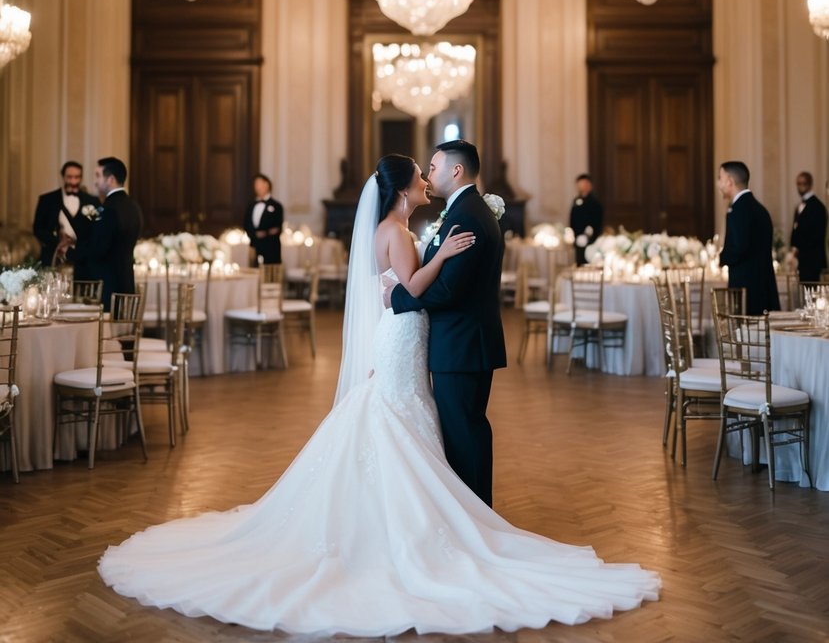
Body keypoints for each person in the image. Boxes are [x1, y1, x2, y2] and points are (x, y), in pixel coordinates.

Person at [98, 152, 660, 634]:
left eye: (429, 171)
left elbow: (399, 293)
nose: (426, 181)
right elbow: (411, 288)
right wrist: (442, 255)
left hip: (404, 338)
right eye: (419, 176)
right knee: (399, 419)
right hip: (403, 336)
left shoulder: (395, 229)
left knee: (401, 418)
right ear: (400, 188)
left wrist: (431, 257)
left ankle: (430, 519)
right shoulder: (397, 233)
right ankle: (419, 528)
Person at [389, 138, 505, 505]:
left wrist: (395, 298)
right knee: (462, 432)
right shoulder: (464, 210)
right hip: (462, 342)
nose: (429, 174)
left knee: (465, 434)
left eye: (434, 167)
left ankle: (477, 519)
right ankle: (474, 517)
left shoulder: (467, 215)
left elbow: (448, 291)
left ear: (456, 171)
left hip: (463, 344)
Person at [75, 157, 143, 308]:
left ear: (110, 179)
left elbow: (99, 248)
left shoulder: (109, 209)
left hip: (108, 288)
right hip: (126, 283)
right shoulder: (133, 207)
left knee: (105, 331)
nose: (95, 181)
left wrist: (74, 250)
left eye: (98, 176)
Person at [718, 160, 780, 314]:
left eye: (720, 178)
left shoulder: (737, 211)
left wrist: (721, 258)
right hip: (764, 288)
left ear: (730, 182)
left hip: (746, 291)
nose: (719, 184)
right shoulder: (760, 209)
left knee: (745, 336)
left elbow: (739, 248)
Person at [32, 160, 98, 267]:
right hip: (53, 256)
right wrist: (58, 241)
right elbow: (37, 229)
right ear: (63, 177)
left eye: (77, 177)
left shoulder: (91, 201)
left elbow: (97, 228)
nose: (73, 181)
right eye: (69, 177)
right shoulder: (47, 200)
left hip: (83, 259)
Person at [790, 171, 827, 283]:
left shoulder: (818, 207)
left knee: (813, 294)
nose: (800, 187)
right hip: (803, 260)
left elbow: (817, 235)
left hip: (813, 260)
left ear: (810, 184)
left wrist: (800, 246)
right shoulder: (799, 206)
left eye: (803, 183)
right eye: (798, 184)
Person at [242, 173, 283, 264]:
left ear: (266, 184)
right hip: (255, 246)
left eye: (259, 183)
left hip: (271, 248)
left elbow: (278, 228)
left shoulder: (276, 206)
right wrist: (254, 234)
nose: (257, 187)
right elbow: (246, 224)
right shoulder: (251, 206)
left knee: (270, 274)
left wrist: (266, 232)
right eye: (255, 184)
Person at [569, 173, 604, 266]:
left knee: (588, 261)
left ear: (589, 185)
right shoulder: (576, 200)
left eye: (583, 183)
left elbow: (596, 221)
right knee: (578, 261)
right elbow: (572, 218)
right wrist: (573, 233)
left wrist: (588, 235)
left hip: (590, 240)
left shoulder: (594, 202)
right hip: (577, 237)